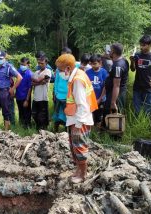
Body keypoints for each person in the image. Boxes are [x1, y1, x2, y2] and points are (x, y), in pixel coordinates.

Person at [56, 53, 98, 184]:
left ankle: (83, 174)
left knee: (79, 147)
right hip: (75, 118)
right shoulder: (77, 75)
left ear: (68, 68)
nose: (59, 73)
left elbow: (82, 105)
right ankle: (78, 170)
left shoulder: (78, 80)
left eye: (61, 70)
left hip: (80, 120)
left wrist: (78, 126)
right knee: (74, 147)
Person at [0, 50, 22, 130]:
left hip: (4, 92)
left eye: (0, 58)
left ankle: (6, 131)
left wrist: (13, 89)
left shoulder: (9, 67)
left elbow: (19, 77)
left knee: (6, 112)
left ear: (4, 58)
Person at [130, 35, 151, 114]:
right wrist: (132, 61)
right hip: (137, 87)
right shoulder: (137, 54)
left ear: (150, 45)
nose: (141, 47)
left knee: (148, 111)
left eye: (144, 45)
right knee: (137, 111)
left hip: (149, 88)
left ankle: (147, 126)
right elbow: (132, 69)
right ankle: (137, 125)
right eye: (140, 45)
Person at [104, 43, 129, 119]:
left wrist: (113, 102)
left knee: (114, 114)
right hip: (114, 92)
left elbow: (116, 85)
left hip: (116, 94)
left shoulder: (118, 66)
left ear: (113, 52)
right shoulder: (123, 60)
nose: (109, 52)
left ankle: (114, 130)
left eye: (110, 50)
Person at [86, 54, 108, 127]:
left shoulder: (104, 72)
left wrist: (100, 98)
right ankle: (90, 131)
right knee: (90, 115)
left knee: (99, 117)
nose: (93, 65)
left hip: (101, 99)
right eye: (91, 64)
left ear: (100, 63)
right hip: (90, 99)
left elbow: (105, 86)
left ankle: (97, 132)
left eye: (95, 63)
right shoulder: (88, 72)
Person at [32, 55, 51, 130]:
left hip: (43, 97)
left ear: (46, 63)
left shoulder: (48, 71)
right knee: (34, 114)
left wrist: (36, 81)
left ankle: (44, 130)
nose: (40, 64)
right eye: (39, 63)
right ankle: (38, 129)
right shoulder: (36, 72)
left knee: (42, 116)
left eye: (42, 63)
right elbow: (33, 82)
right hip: (36, 96)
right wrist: (39, 81)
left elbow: (44, 81)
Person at [52, 56, 69, 133]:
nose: (58, 67)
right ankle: (55, 131)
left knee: (66, 114)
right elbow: (56, 83)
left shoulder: (70, 71)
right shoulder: (58, 72)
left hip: (67, 97)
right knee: (57, 113)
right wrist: (55, 94)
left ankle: (66, 131)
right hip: (58, 96)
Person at [15, 57, 33, 128]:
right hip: (18, 96)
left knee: (27, 113)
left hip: (25, 97)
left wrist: (27, 100)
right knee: (20, 112)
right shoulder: (18, 71)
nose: (22, 66)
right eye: (21, 64)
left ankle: (27, 126)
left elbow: (30, 88)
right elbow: (16, 82)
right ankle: (21, 126)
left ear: (28, 65)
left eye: (24, 64)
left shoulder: (30, 74)